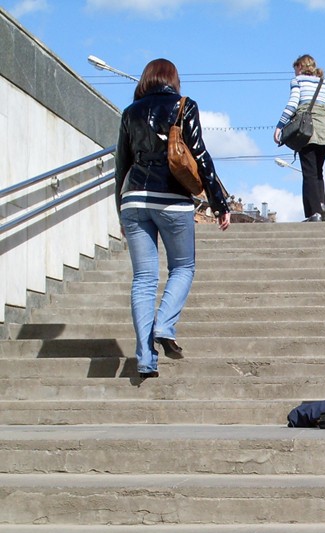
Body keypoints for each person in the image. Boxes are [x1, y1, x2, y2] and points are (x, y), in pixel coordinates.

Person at [114, 58, 231, 378]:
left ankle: (144, 359)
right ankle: (164, 326)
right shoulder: (184, 106)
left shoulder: (130, 112)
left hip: (134, 202)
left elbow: (120, 166)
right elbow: (200, 156)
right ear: (173, 80)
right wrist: (220, 203)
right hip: (173, 201)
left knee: (143, 280)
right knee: (182, 267)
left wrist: (119, 213)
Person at [274, 54, 325, 222]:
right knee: (318, 172)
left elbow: (293, 104)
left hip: (307, 130)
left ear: (301, 67)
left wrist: (280, 126)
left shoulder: (298, 81)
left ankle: (314, 214)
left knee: (309, 173)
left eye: (296, 69)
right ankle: (321, 212)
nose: (295, 73)